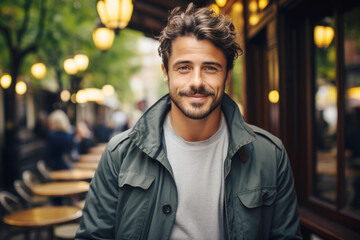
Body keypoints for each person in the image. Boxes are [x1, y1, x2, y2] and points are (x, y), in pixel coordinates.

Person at [75, 3, 301, 239]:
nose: (196, 81)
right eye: (183, 67)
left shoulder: (270, 155)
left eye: (210, 68)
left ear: (227, 75)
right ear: (165, 72)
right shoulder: (119, 155)